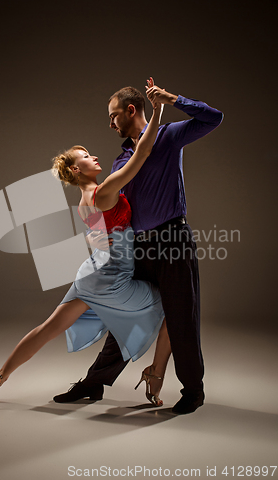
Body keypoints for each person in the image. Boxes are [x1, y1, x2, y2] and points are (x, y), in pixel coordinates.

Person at [0, 79, 172, 406]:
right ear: (77, 171)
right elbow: (144, 151)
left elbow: (103, 238)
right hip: (111, 278)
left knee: (48, 328)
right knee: (172, 305)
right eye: (86, 157)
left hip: (91, 272)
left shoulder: (83, 202)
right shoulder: (104, 190)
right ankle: (155, 373)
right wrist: (159, 108)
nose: (94, 157)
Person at [53, 78, 224, 414]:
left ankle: (193, 391)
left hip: (174, 241)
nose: (110, 122)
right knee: (124, 315)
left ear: (131, 110)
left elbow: (213, 118)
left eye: (114, 115)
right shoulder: (120, 163)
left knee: (181, 319)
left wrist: (173, 98)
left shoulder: (169, 136)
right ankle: (94, 383)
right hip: (139, 249)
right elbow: (115, 213)